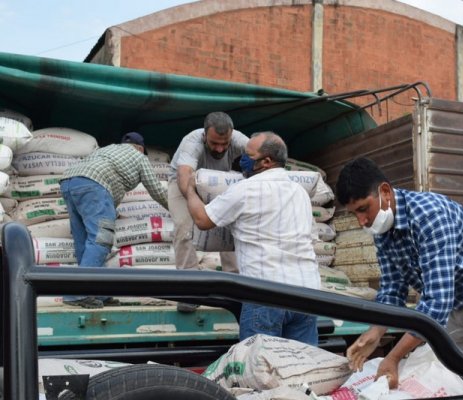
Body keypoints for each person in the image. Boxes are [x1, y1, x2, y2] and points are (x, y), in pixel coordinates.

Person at [335, 157, 463, 393]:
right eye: (355, 214)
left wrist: (393, 357)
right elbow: (393, 289)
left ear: (385, 191)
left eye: (364, 208)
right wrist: (374, 333)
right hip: (458, 302)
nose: (362, 221)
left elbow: (436, 305)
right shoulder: (382, 230)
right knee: (455, 381)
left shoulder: (429, 215)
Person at [185, 131, 321, 345]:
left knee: (259, 369)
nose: (243, 160)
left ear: (266, 161)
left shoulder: (245, 189)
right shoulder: (300, 192)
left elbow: (203, 220)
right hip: (308, 294)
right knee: (302, 369)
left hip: (266, 295)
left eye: (248, 155)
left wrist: (190, 190)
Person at [59, 132, 168, 309]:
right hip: (94, 185)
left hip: (69, 183)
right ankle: (76, 293)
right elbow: (156, 189)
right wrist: (177, 210)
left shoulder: (107, 150)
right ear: (140, 148)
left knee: (83, 242)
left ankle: (99, 293)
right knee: (101, 240)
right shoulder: (139, 157)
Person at [169, 111, 248, 313]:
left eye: (225, 143)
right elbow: (184, 174)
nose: (220, 148)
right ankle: (190, 290)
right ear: (205, 136)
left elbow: (261, 156)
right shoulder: (192, 141)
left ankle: (236, 287)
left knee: (232, 229)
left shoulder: (239, 140)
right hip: (185, 183)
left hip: (219, 180)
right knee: (184, 229)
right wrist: (196, 205)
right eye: (214, 143)